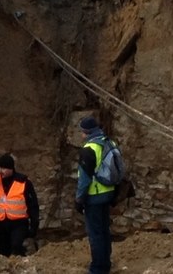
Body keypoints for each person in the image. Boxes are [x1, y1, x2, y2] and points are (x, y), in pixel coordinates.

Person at [75, 116, 116, 274]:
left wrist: (79, 199)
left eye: (82, 131)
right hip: (108, 193)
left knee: (95, 234)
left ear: (86, 132)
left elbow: (84, 179)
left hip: (94, 196)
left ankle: (98, 269)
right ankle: (106, 264)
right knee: (105, 231)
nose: (81, 135)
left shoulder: (89, 148)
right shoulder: (108, 142)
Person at [0, 153, 39, 257]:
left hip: (18, 223)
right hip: (0, 224)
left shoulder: (23, 182)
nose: (0, 171)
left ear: (11, 169)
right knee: (3, 252)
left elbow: (33, 205)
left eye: (4, 168)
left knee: (16, 247)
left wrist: (34, 226)